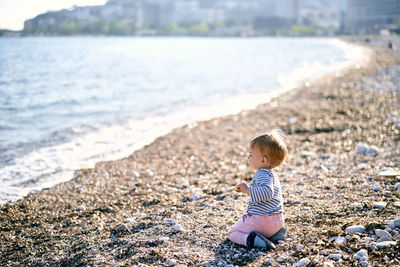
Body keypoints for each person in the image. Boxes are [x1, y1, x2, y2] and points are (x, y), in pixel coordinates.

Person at [228, 130, 288, 249]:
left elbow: (267, 193)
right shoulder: (272, 174)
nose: (248, 157)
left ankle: (252, 239)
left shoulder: (261, 174)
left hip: (262, 222)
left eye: (251, 155)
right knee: (271, 227)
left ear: (263, 160)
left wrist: (247, 190)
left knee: (232, 233)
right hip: (277, 221)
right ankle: (277, 233)